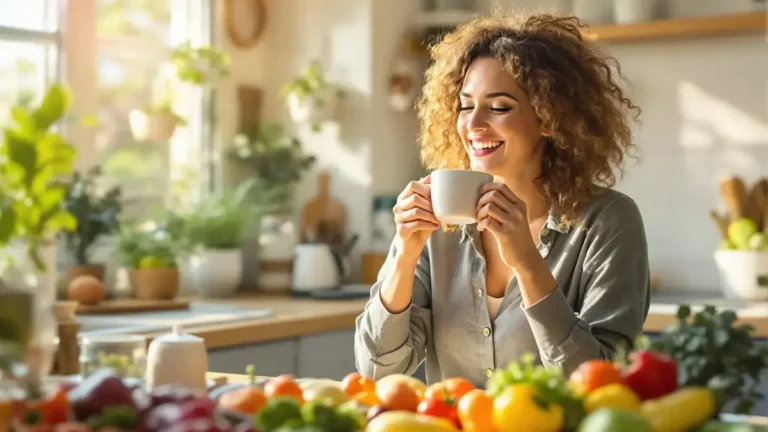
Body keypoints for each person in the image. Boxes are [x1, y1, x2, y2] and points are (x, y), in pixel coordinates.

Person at [353, 12, 651, 388]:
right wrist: (404, 254)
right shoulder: (440, 224)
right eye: (465, 105)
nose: (473, 124)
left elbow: (604, 383)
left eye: (499, 107)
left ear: (548, 117)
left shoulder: (608, 221)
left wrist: (528, 263)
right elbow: (376, 371)